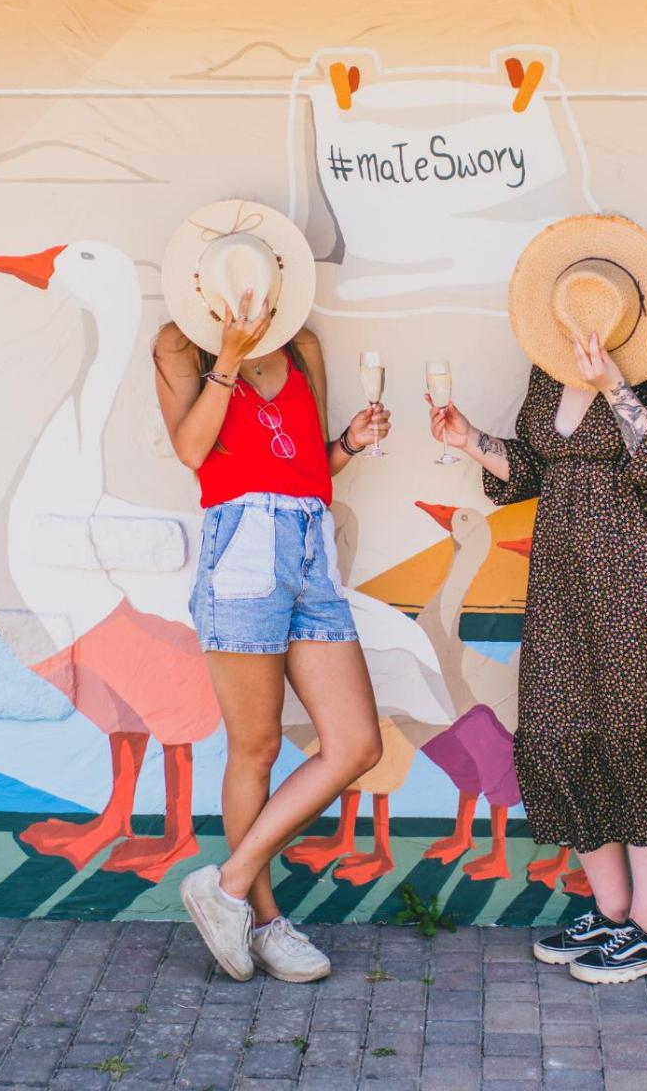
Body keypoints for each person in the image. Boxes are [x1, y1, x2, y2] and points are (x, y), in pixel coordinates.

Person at [428, 214, 647, 985]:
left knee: (640, 737)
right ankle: (610, 913)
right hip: (562, 581)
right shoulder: (548, 367)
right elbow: (535, 468)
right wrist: (471, 441)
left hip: (639, 578)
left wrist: (615, 388)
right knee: (564, 733)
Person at [155, 199, 388, 983]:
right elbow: (195, 451)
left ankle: (224, 884)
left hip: (309, 548)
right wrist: (226, 356)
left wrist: (349, 442)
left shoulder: (303, 345)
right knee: (253, 748)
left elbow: (308, 466)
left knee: (355, 744)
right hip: (242, 548)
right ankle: (263, 922)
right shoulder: (179, 345)